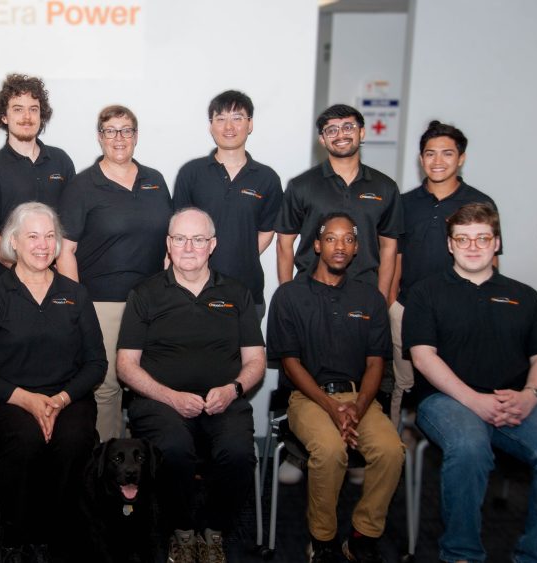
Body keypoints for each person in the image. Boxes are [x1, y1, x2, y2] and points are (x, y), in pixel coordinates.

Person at [404, 203, 537, 563]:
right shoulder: (425, 293)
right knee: (471, 449)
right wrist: (474, 400)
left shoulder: (525, 295)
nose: (473, 246)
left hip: (515, 399)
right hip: (446, 400)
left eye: (482, 238)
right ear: (450, 245)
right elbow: (424, 357)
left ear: (497, 243)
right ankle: (461, 553)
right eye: (463, 239)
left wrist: (531, 396)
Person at [117, 207, 265, 563]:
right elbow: (125, 366)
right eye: (180, 239)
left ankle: (214, 530)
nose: (188, 247)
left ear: (212, 245)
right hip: (160, 403)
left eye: (198, 239)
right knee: (173, 450)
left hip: (223, 401)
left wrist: (234, 389)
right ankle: (181, 531)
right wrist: (170, 397)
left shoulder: (236, 292)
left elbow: (256, 360)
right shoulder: (145, 294)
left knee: (239, 453)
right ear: (168, 244)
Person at [0, 202, 106, 563]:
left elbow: (95, 363)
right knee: (25, 441)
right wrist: (26, 400)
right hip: (3, 400)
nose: (42, 245)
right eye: (32, 236)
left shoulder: (75, 294)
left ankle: (60, 534)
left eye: (50, 236)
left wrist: (59, 400)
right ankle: (16, 537)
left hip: (67, 397)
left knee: (73, 440)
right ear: (14, 242)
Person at [266, 212, 404, 563]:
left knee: (390, 450)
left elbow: (376, 363)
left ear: (356, 248)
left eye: (347, 239)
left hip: (360, 397)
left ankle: (362, 536)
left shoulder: (371, 299)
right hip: (308, 397)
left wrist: (356, 408)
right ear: (316, 245)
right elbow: (290, 363)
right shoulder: (289, 296)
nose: (339, 246)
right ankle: (322, 539)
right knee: (329, 450)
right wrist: (331, 407)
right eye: (330, 238)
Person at [56, 104, 172, 442]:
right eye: (110, 130)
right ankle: (109, 471)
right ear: (99, 137)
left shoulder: (155, 180)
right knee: (107, 389)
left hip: (151, 303)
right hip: (101, 304)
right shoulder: (82, 185)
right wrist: (78, 306)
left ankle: (146, 469)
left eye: (126, 130)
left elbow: (169, 243)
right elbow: (66, 250)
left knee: (151, 384)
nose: (118, 137)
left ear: (136, 136)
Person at [387, 121, 498, 425]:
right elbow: (394, 257)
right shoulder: (404, 203)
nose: (437, 161)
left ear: (461, 158)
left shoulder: (479, 203)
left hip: (459, 313)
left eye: (447, 153)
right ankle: (398, 449)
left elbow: (491, 263)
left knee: (453, 384)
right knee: (403, 385)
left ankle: (449, 440)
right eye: (429, 154)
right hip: (408, 309)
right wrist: (392, 303)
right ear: (420, 159)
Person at [174, 90, 283, 319]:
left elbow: (267, 230)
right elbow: (178, 232)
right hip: (194, 291)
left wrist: (241, 254)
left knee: (249, 355)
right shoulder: (191, 173)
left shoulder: (267, 178)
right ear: (211, 126)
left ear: (250, 124)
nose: (229, 127)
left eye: (237, 118)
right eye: (220, 119)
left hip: (247, 291)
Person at [275, 104, 403, 301]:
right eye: (332, 130)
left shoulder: (385, 187)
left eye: (348, 127)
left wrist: (382, 299)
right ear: (322, 139)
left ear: (362, 132)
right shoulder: (301, 186)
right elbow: (284, 244)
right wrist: (287, 297)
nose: (340, 135)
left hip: (365, 294)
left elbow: (389, 248)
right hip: (310, 294)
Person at [0, 74, 76, 284]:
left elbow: (71, 225)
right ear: (4, 117)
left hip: (56, 282)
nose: (27, 116)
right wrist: (24, 270)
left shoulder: (61, 161)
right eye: (18, 109)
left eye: (33, 109)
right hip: (7, 282)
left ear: (41, 115)